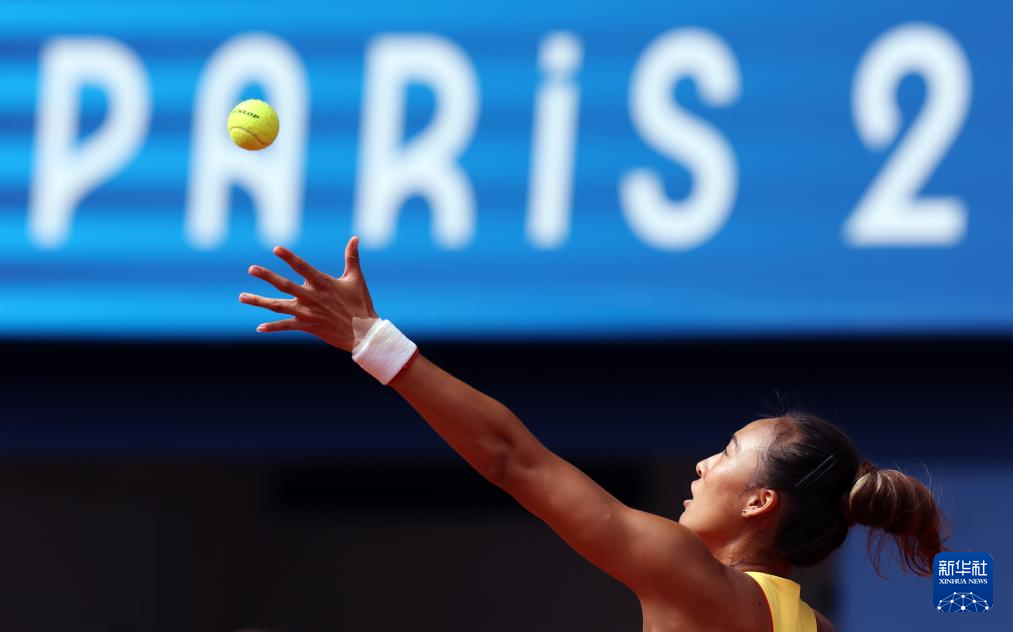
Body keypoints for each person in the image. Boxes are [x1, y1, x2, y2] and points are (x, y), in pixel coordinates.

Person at [239, 237, 946, 632]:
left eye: (728, 453)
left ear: (760, 502)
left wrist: (371, 341)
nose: (702, 465)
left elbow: (512, 460)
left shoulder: (688, 573)